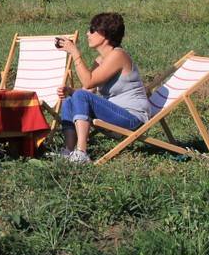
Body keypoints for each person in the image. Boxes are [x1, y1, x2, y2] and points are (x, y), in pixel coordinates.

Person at [55, 12, 150, 164]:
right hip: (115, 114)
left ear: (104, 34)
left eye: (92, 30)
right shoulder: (100, 59)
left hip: (132, 118)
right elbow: (88, 91)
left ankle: (81, 152)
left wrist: (75, 53)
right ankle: (69, 150)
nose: (88, 33)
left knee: (79, 96)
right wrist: (70, 92)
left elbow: (88, 82)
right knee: (70, 100)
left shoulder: (118, 56)